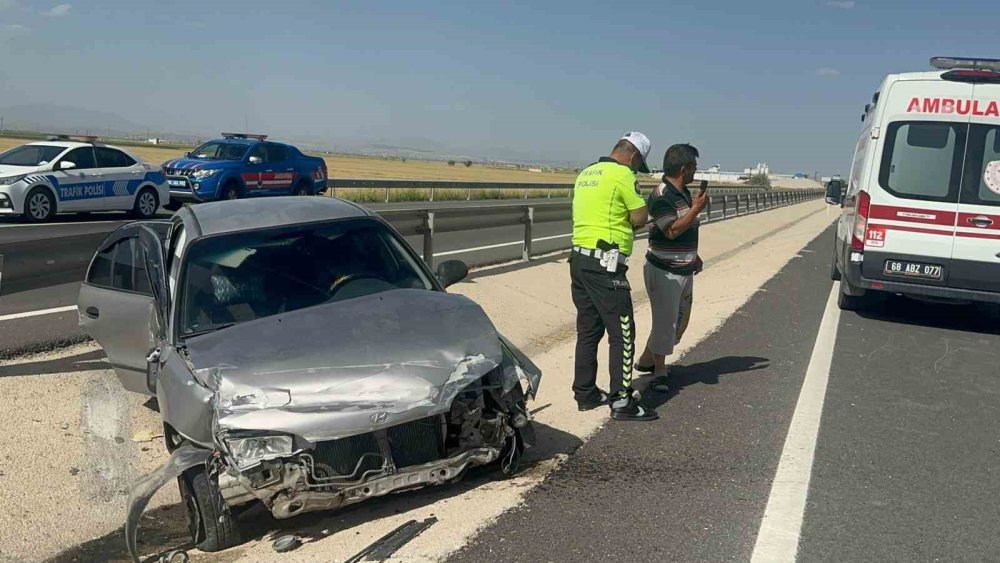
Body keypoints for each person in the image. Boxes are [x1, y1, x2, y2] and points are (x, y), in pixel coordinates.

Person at [570, 132, 657, 422]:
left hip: (579, 260)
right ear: (633, 156)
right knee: (622, 332)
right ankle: (622, 401)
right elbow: (639, 217)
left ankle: (585, 393)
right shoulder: (622, 175)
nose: (636, 171)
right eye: (637, 165)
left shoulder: (587, 173)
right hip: (605, 266)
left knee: (588, 331)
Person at [635, 144, 706, 391]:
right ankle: (659, 372)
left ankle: (646, 360)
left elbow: (687, 228)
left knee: (679, 322)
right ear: (684, 169)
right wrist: (697, 208)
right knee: (666, 322)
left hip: (685, 268)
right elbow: (672, 230)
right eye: (694, 167)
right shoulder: (661, 195)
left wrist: (694, 256)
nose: (696, 171)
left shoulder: (684, 193)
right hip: (664, 270)